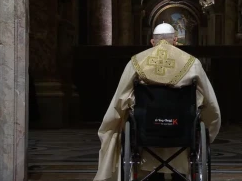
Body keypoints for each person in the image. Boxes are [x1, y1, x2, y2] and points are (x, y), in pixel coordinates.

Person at [94, 22, 221, 181]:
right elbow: (211, 105)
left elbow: (119, 99)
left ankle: (147, 169)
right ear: (175, 41)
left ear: (152, 42)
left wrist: (111, 125)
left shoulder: (136, 62)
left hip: (146, 133)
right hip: (181, 132)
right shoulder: (192, 63)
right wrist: (209, 127)